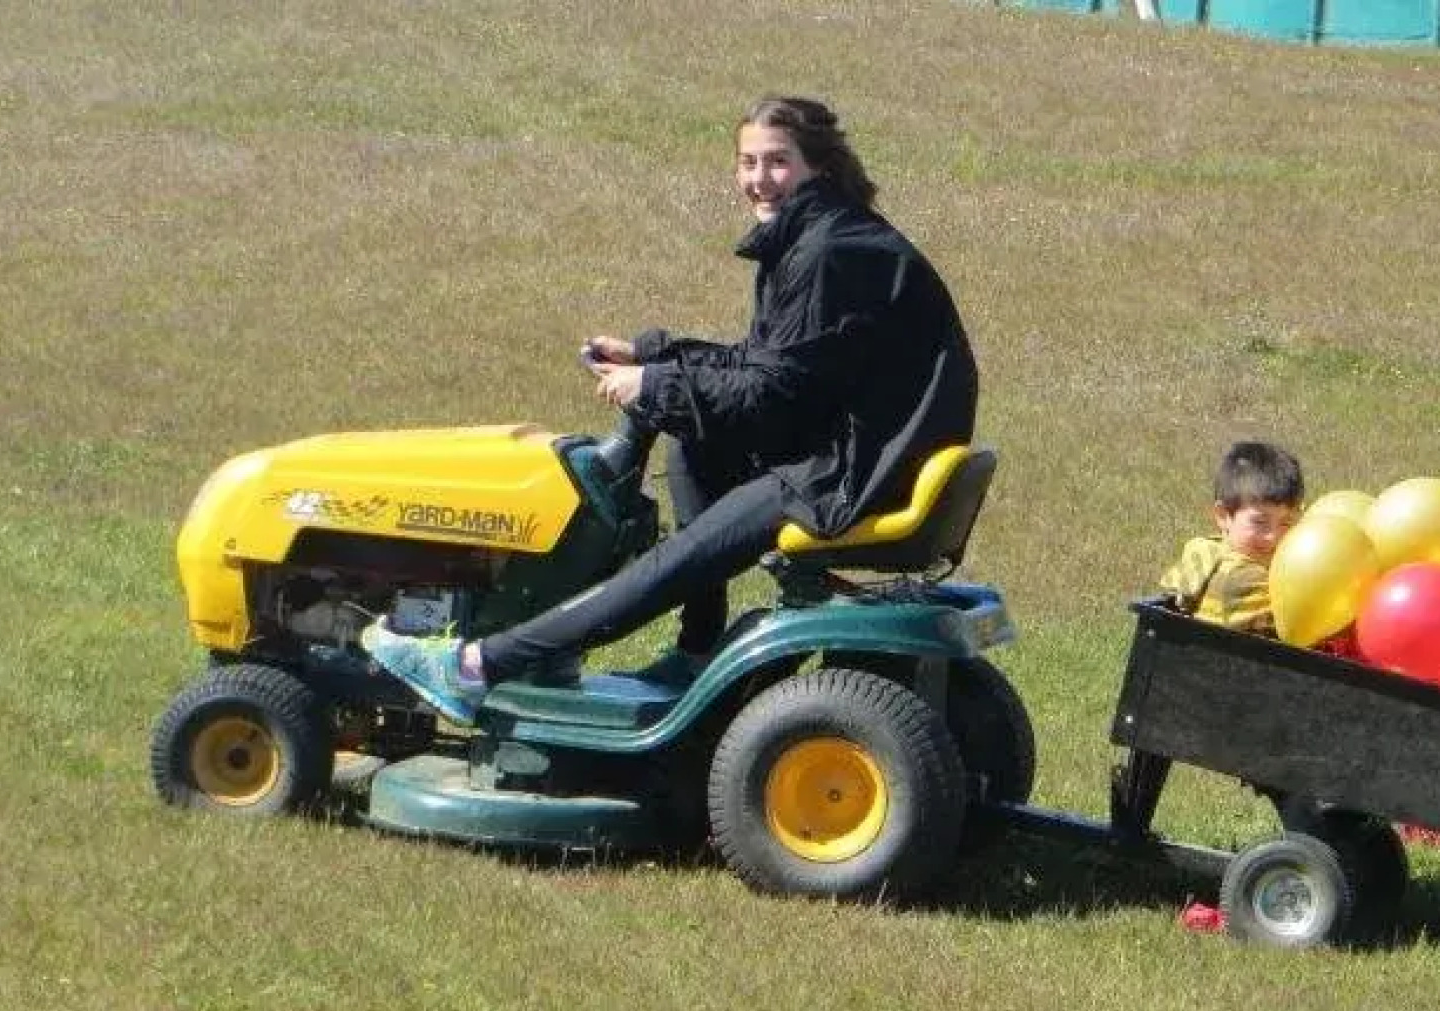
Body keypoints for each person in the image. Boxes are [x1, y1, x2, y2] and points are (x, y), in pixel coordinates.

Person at [362, 95, 979, 723]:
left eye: (777, 161)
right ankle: (699, 648)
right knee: (693, 442)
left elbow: (772, 395)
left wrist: (656, 387)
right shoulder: (823, 235)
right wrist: (657, 357)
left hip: (851, 471)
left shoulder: (827, 254)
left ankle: (475, 667)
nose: (758, 178)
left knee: (672, 560)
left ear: (818, 164)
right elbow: (768, 363)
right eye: (747, 162)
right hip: (863, 447)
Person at [1158, 441, 1304, 636]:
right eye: (1260, 522)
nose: (1273, 537)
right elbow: (1295, 628)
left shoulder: (1211, 552)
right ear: (1223, 516)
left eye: (1286, 523)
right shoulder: (1239, 578)